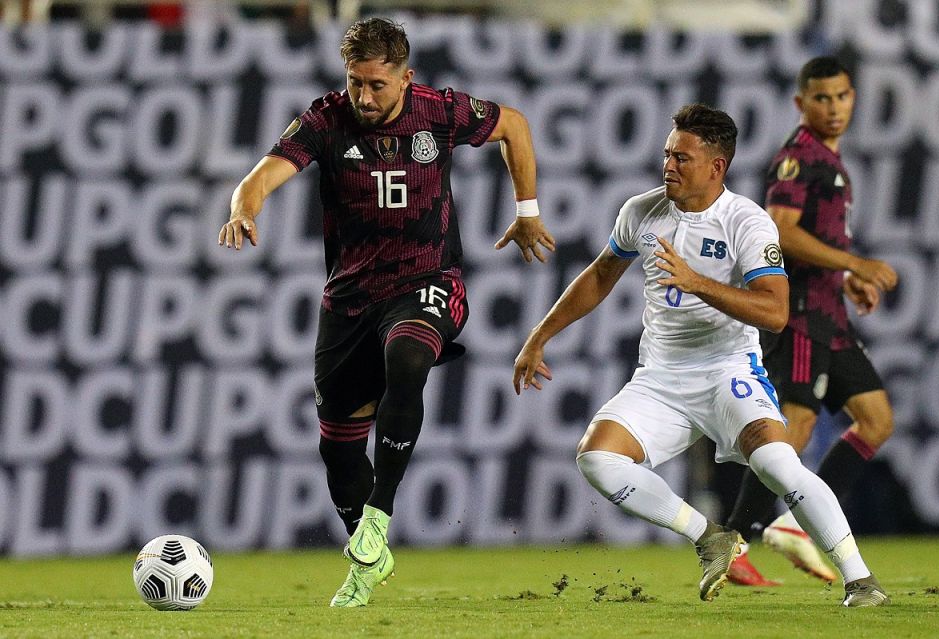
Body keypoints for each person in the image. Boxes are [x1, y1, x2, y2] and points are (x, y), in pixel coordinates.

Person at [218, 17, 555, 607]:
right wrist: (245, 208)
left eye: (377, 85)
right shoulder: (326, 120)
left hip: (429, 282)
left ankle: (381, 512)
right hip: (349, 301)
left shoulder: (442, 111)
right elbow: (262, 175)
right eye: (355, 84)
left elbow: (516, 126)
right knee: (339, 449)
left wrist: (527, 209)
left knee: (407, 358)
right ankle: (367, 551)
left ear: (406, 78)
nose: (364, 97)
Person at [512, 103, 888, 607]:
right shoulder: (640, 212)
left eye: (681, 158)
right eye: (667, 154)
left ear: (717, 166)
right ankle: (710, 536)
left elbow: (775, 312)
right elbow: (601, 276)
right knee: (597, 459)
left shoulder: (746, 222)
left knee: (778, 463)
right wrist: (540, 335)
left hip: (729, 371)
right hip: (661, 380)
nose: (668, 165)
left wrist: (696, 282)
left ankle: (860, 580)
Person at [724, 56, 899, 588]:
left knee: (875, 420)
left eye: (841, 96)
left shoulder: (832, 160)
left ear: (853, 98)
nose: (833, 107)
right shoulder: (800, 157)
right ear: (801, 104)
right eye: (821, 98)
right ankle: (732, 543)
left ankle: (795, 526)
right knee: (792, 431)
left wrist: (845, 280)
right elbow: (781, 232)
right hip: (799, 316)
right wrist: (856, 263)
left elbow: (815, 242)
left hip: (831, 314)